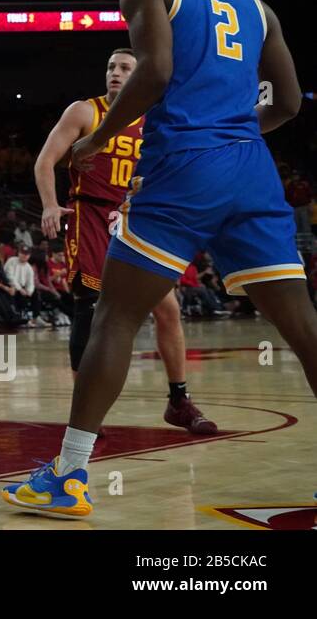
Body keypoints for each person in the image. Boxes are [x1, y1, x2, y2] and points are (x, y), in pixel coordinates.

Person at [3, 0, 313, 517]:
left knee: (116, 317)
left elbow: (157, 72)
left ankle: (67, 476)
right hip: (252, 170)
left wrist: (99, 137)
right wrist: (235, 134)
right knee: (304, 327)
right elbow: (288, 104)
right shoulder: (259, 7)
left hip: (181, 171)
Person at [33, 46, 217, 432]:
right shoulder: (84, 111)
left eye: (125, 68)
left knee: (168, 309)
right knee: (91, 306)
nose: (115, 73)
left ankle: (179, 401)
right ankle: (84, 415)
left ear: (140, 76)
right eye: (111, 67)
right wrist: (50, 205)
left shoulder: (155, 120)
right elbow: (45, 160)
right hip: (91, 213)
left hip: (135, 217)